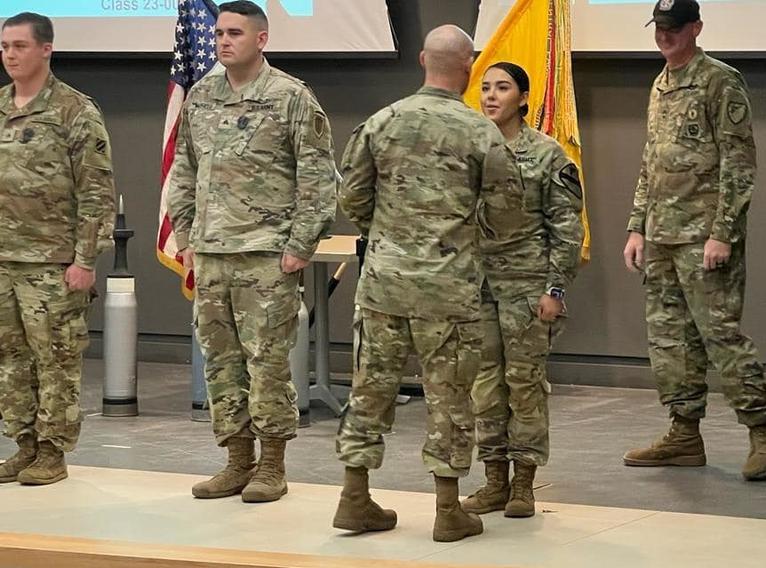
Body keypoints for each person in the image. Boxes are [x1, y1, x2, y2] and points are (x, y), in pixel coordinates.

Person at [333, 25, 524, 542]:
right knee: (450, 397)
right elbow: (508, 214)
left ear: (421, 59)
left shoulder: (381, 122)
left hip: (384, 284)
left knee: (369, 389)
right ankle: (447, 510)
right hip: (449, 286)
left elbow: (351, 198)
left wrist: (390, 235)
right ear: (470, 66)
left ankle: (354, 497)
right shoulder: (481, 131)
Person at [167, 0, 336, 503]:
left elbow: (318, 176)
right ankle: (238, 460)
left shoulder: (290, 97)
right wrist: (186, 237)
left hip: (266, 255)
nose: (223, 41)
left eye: (234, 33)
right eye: (219, 32)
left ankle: (273, 466)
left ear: (261, 39)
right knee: (221, 363)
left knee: (267, 364)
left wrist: (301, 245)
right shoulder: (200, 95)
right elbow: (184, 171)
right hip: (213, 252)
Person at [622, 0, 766, 480]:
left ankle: (763, 438)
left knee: (720, 336)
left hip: (704, 238)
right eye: (659, 27)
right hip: (662, 236)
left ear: (695, 27)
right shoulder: (661, 83)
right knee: (670, 339)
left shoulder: (720, 80)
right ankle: (683, 435)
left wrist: (723, 233)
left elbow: (739, 162)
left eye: (674, 28)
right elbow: (650, 163)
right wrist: (637, 226)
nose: (665, 36)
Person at [461, 62, 583, 518]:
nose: (491, 96)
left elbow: (567, 227)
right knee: (484, 385)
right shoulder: (469, 151)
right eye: (485, 87)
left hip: (528, 287)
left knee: (525, 385)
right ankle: (494, 480)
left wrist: (556, 289)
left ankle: (524, 485)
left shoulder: (548, 155)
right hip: (478, 287)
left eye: (503, 88)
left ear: (524, 98)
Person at [0, 12, 116, 486]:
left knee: (56, 360)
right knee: (11, 359)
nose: (10, 55)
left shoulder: (74, 110)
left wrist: (85, 259)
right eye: (5, 46)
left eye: (20, 46)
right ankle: (23, 444)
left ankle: (52, 451)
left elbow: (96, 192)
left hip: (52, 261)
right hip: (4, 258)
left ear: (46, 49)